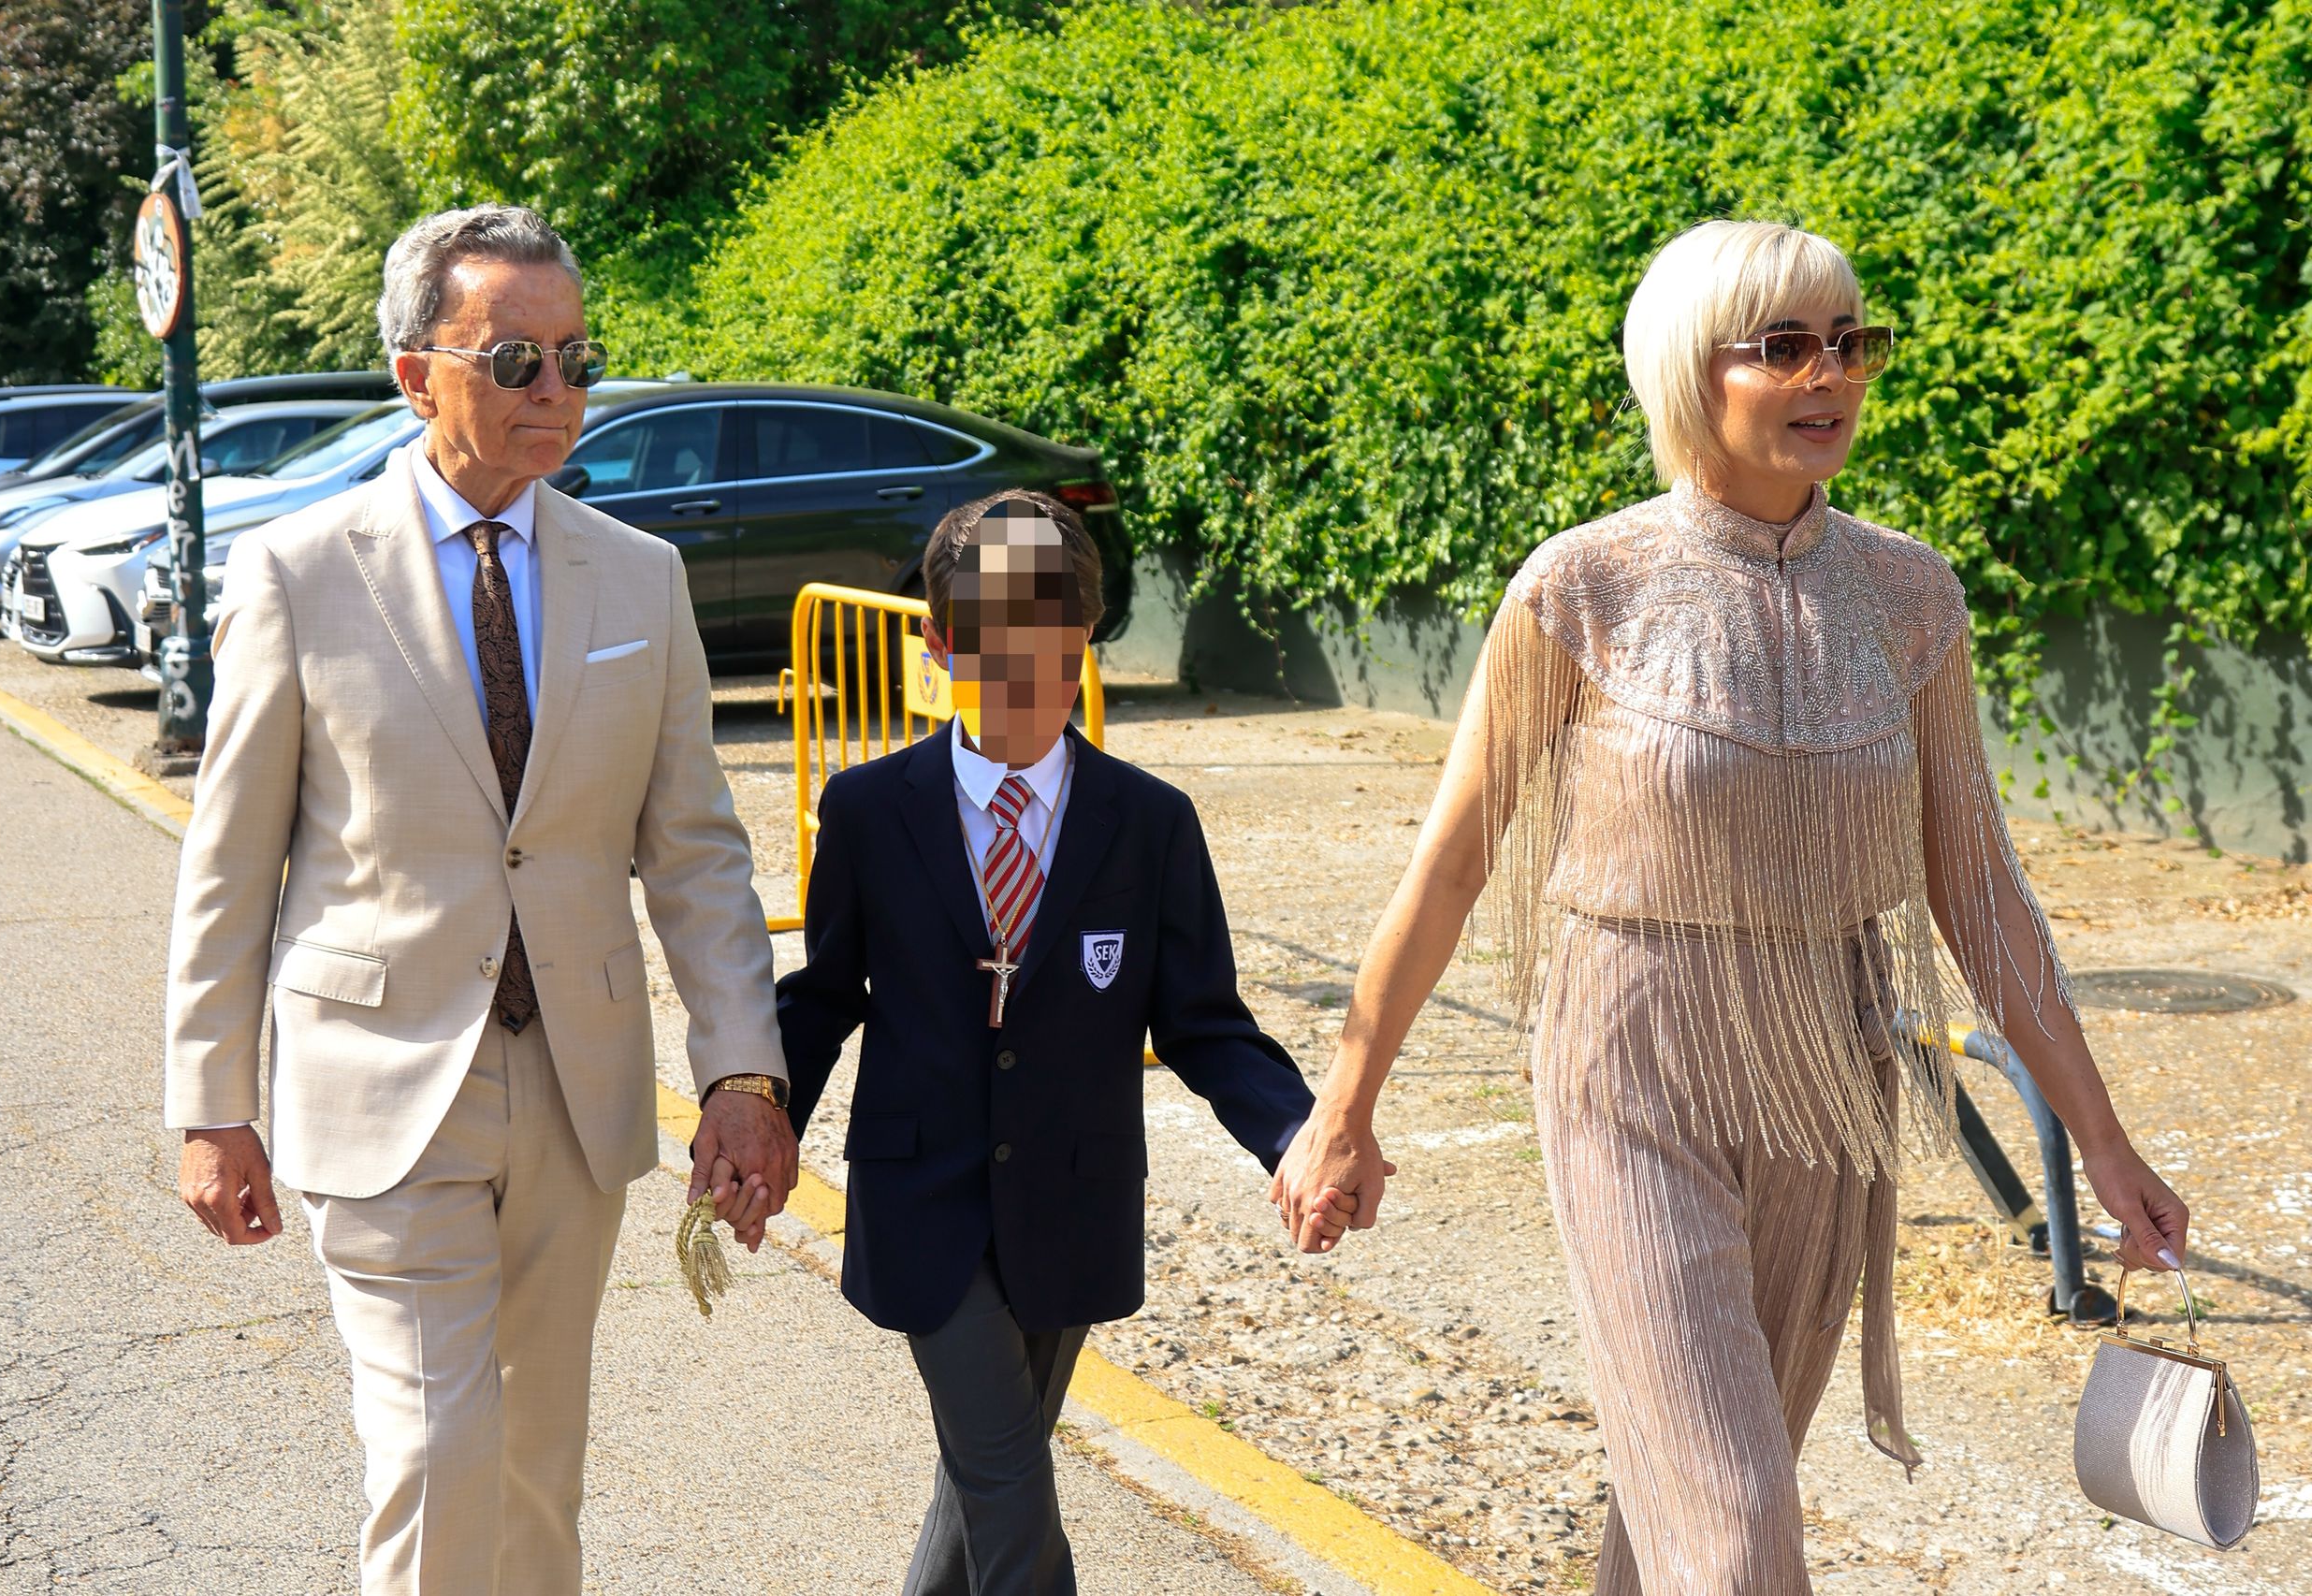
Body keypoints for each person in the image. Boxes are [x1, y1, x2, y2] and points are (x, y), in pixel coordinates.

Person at [1270, 220, 2191, 1594]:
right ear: (1687, 372)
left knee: (1690, 1501)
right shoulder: (1583, 586)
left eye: (1852, 341)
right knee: (1744, 1525)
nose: (1832, 373)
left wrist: (2103, 1140)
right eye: (1785, 346)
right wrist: (1345, 1108)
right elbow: (1454, 864)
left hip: (1827, 1072)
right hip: (1627, 1059)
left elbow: (1978, 885)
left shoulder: (1910, 593)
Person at [165, 203, 794, 1595]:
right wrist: (213, 1102)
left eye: (576, 357)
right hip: (380, 1080)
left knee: (533, 1466)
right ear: (414, 372)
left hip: (578, 1086)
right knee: (438, 1447)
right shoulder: (299, 572)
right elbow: (231, 861)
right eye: (516, 362)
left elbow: (694, 850)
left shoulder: (643, 576)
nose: (557, 393)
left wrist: (745, 1070)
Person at [774, 490, 1331, 1596]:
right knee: (1011, 1495)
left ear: (1086, 630)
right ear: (938, 643)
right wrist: (756, 1113)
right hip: (920, 1195)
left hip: (1070, 1203)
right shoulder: (871, 809)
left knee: (983, 1476)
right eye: (988, 634)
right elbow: (825, 991)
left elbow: (1204, 1022)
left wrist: (1297, 1135)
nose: (1023, 659)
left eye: (1051, 628)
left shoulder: (1148, 820)